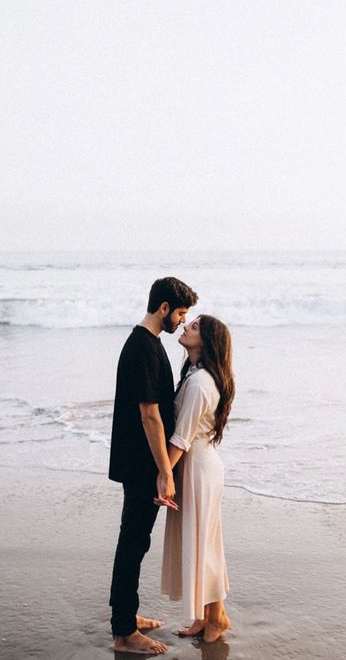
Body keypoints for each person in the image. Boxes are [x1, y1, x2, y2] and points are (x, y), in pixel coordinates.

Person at [108, 276, 198, 655]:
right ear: (164, 308)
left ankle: (126, 616)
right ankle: (125, 632)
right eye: (179, 313)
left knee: (135, 541)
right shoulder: (143, 347)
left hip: (141, 462)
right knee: (133, 541)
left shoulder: (149, 344)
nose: (180, 320)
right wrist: (164, 469)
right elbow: (150, 416)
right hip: (142, 464)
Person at [158, 314, 235, 643]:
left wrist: (163, 475)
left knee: (205, 546)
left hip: (197, 470)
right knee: (203, 544)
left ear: (205, 341)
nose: (186, 325)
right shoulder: (194, 375)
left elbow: (181, 437)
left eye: (195, 326)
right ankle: (207, 616)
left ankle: (217, 616)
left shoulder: (201, 382)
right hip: (196, 466)